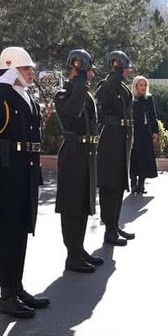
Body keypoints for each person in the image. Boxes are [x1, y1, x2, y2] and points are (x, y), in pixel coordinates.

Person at [0, 46, 49, 318]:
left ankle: (17, 287)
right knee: (6, 233)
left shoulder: (25, 95)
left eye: (31, 69)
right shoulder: (2, 95)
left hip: (25, 168)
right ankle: (5, 294)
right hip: (7, 170)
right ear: (11, 70)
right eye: (26, 68)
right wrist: (1, 86)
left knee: (20, 232)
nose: (32, 73)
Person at [53, 49, 104, 273]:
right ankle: (71, 255)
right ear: (78, 69)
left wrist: (82, 84)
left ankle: (78, 248)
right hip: (73, 153)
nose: (92, 75)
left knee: (83, 203)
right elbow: (72, 112)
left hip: (87, 152)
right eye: (88, 71)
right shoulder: (64, 93)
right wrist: (80, 82)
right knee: (72, 205)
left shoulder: (85, 92)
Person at [95, 50, 135, 246]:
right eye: (125, 68)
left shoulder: (122, 87)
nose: (128, 72)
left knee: (119, 183)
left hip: (121, 138)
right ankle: (109, 230)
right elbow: (101, 97)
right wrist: (114, 75)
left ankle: (114, 225)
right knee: (110, 184)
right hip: (110, 138)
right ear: (117, 67)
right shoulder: (107, 85)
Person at [130, 75, 159, 196]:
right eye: (141, 85)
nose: (143, 87)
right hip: (135, 132)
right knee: (135, 159)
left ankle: (142, 184)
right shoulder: (131, 100)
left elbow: (153, 115)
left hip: (146, 132)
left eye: (145, 85)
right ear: (136, 86)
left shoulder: (149, 99)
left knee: (145, 158)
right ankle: (133, 184)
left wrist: (155, 131)